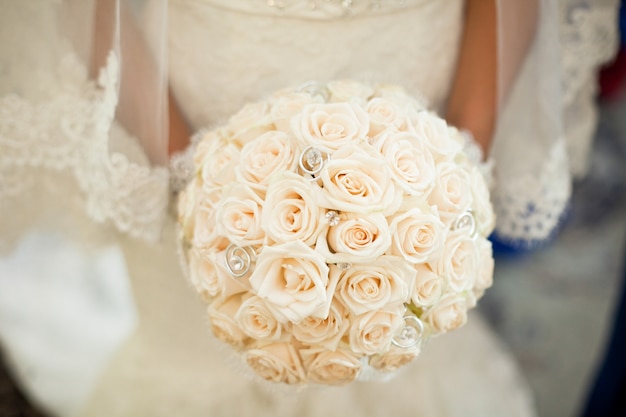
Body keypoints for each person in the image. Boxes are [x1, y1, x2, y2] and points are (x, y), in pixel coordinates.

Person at [0, 0, 619, 416]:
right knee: (191, 357)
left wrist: (453, 160)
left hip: (422, 80)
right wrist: (195, 180)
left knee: (404, 349)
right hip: (171, 104)